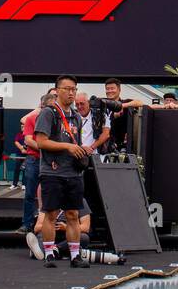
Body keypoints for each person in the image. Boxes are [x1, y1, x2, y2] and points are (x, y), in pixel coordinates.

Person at [34, 75, 90, 268]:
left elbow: (76, 143)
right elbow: (41, 142)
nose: (71, 93)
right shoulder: (48, 113)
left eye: (74, 89)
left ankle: (75, 255)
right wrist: (67, 147)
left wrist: (80, 150)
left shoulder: (76, 116)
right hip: (52, 171)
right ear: (57, 90)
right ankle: (49, 252)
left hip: (73, 172)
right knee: (50, 214)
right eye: (67, 89)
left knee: (73, 214)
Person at [16, 92, 55, 233]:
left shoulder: (57, 120)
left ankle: (50, 223)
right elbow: (27, 140)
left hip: (50, 160)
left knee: (52, 193)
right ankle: (27, 224)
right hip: (34, 159)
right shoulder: (32, 118)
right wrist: (44, 146)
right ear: (42, 106)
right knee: (30, 194)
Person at [74, 91, 111, 156]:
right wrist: (82, 149)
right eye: (77, 104)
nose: (79, 106)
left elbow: (106, 134)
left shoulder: (100, 115)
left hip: (96, 156)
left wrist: (91, 148)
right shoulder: (73, 117)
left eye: (82, 103)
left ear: (88, 103)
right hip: (78, 155)